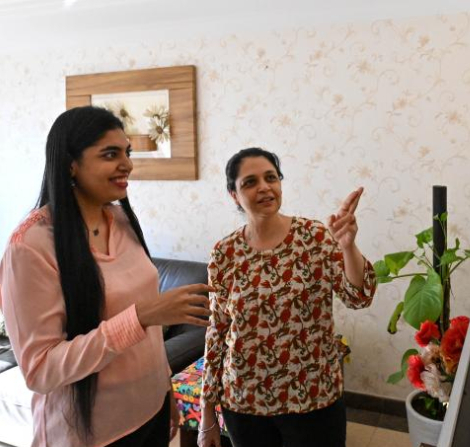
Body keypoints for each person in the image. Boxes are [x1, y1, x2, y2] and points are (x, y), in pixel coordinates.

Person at [0, 106, 213, 447]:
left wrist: (164, 391)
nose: (127, 163)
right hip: (90, 435)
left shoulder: (121, 220)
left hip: (149, 413)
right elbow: (41, 370)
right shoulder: (30, 247)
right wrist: (141, 317)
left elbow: (152, 339)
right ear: (71, 163)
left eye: (127, 152)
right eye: (110, 154)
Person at [198, 148, 377, 447]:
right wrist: (207, 413)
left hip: (313, 398)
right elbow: (217, 330)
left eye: (271, 177)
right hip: (244, 402)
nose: (264, 187)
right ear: (233, 194)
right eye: (250, 182)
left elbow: (359, 297)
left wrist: (347, 246)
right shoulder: (224, 252)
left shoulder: (315, 237)